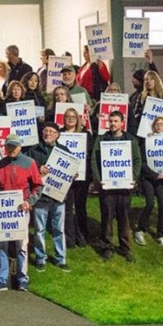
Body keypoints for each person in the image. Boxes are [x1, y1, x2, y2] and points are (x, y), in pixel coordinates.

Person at [0, 134, 42, 291]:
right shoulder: (0, 165)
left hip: (21, 210)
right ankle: (2, 279)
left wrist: (29, 202)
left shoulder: (29, 163)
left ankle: (22, 278)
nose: (11, 149)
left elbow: (38, 186)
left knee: (22, 245)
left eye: (14, 146)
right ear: (5, 147)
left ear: (20, 147)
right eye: (8, 146)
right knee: (1, 245)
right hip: (3, 212)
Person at [91, 111, 141, 262]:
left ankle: (125, 247)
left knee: (124, 218)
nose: (113, 124)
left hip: (124, 187)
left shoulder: (130, 140)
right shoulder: (101, 139)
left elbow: (137, 160)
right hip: (107, 187)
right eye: (111, 121)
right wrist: (99, 180)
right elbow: (94, 161)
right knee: (107, 217)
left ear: (122, 123)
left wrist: (133, 179)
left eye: (116, 121)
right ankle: (107, 246)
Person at [26, 122, 73, 271]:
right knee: (39, 230)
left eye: (52, 131)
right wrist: (37, 169)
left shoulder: (64, 151)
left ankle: (61, 259)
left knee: (59, 229)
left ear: (57, 135)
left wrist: (73, 174)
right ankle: (41, 258)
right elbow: (27, 171)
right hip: (41, 197)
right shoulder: (33, 151)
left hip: (58, 197)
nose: (48, 134)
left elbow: (70, 170)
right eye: (45, 131)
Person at [134, 116, 163, 247]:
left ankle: (160, 234)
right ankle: (140, 229)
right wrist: (154, 174)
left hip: (162, 179)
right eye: (157, 124)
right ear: (153, 126)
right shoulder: (147, 141)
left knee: (162, 206)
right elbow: (142, 162)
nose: (159, 126)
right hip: (149, 178)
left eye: (162, 124)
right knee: (150, 203)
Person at [60, 108, 92, 248]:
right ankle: (69, 238)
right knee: (67, 207)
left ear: (77, 119)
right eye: (67, 116)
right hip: (64, 176)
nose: (70, 118)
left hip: (81, 178)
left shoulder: (85, 134)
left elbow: (89, 155)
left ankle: (82, 235)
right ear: (64, 118)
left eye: (73, 116)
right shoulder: (59, 134)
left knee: (80, 206)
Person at [128, 70, 163, 138]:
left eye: (151, 79)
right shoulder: (141, 96)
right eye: (146, 79)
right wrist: (143, 116)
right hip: (147, 133)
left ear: (156, 81)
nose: (148, 81)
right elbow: (136, 114)